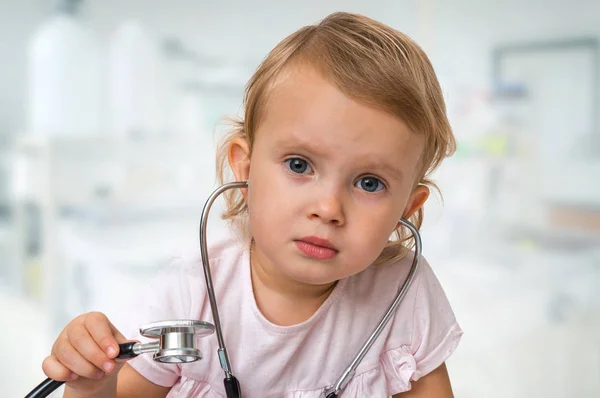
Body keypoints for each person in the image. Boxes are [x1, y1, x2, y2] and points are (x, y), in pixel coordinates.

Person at [41, 11, 463, 397]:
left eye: (369, 183)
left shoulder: (404, 292)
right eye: (299, 164)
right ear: (244, 169)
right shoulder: (191, 292)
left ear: (408, 207)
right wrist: (91, 382)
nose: (328, 207)